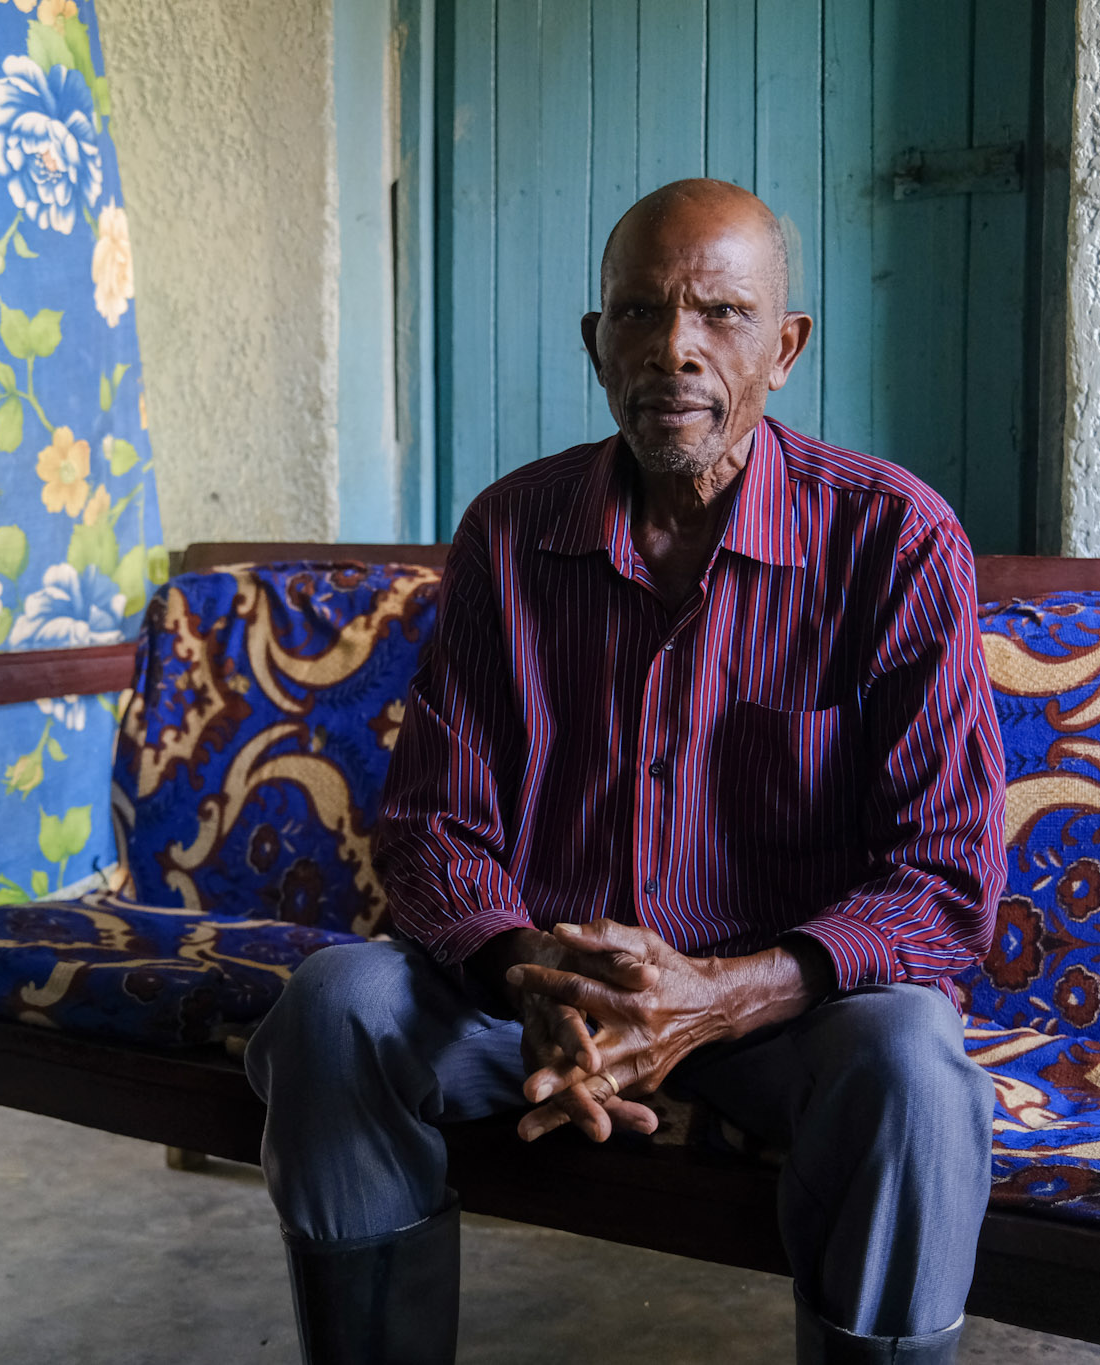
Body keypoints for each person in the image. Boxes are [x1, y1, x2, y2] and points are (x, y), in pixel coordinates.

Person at [246, 178, 1005, 1365]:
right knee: (336, 1007)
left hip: (774, 1020)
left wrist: (715, 995)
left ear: (784, 348)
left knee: (912, 1062)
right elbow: (432, 823)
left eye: (718, 314)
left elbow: (944, 880)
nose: (674, 351)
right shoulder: (509, 531)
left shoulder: (893, 542)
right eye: (638, 315)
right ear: (593, 340)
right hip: (529, 1002)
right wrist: (519, 967)